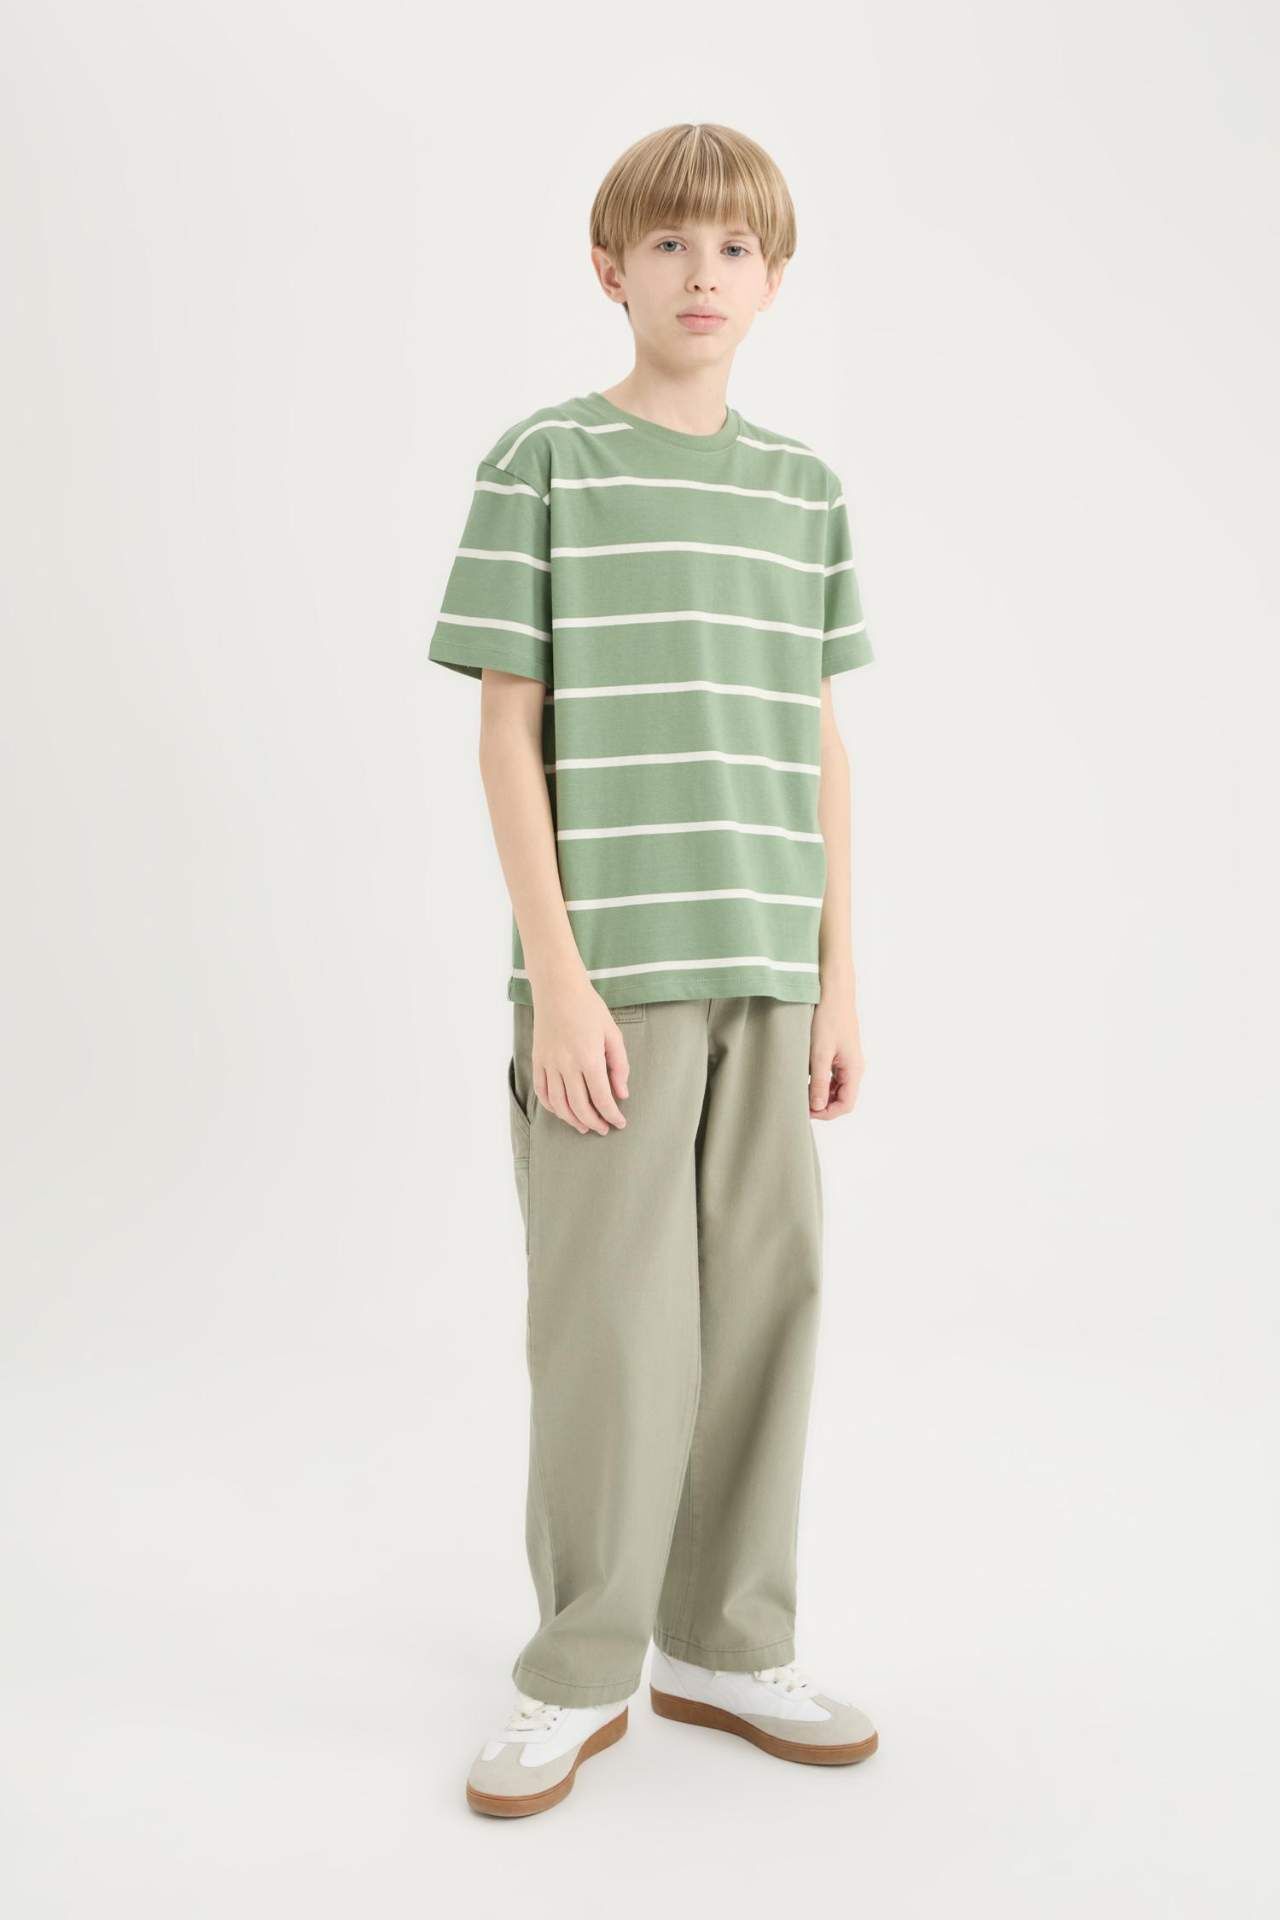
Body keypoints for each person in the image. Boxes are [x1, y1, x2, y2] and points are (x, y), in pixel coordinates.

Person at [427, 121, 880, 1819]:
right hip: (610, 977)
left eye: (735, 248)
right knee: (611, 1328)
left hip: (770, 962)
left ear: (776, 279)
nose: (704, 275)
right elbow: (507, 729)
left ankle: (728, 1641)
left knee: (767, 1304)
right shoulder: (545, 462)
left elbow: (818, 741)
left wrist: (841, 978)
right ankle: (575, 1669)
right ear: (609, 268)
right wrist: (556, 979)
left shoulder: (803, 490)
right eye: (672, 245)